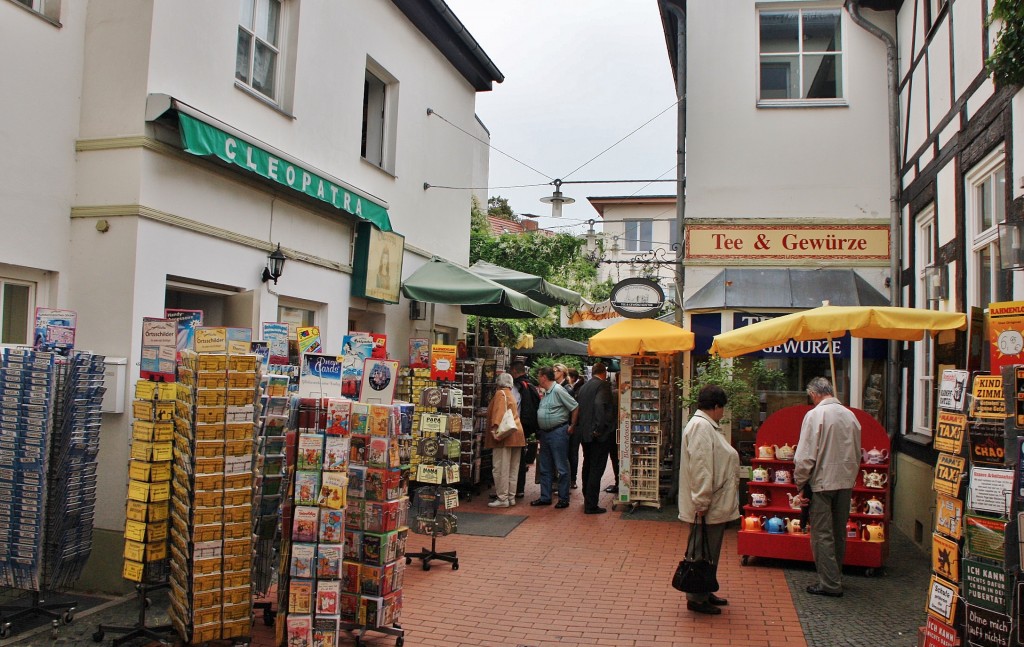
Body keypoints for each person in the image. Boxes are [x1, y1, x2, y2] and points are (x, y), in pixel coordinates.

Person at [794, 377, 862, 598]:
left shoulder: (815, 415)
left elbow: (805, 456)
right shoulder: (851, 416)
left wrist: (801, 483)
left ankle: (830, 583)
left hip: (822, 482)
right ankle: (835, 574)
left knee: (822, 534)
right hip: (845, 481)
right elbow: (857, 451)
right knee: (838, 531)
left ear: (814, 394)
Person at [677, 385, 738, 615]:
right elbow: (701, 468)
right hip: (707, 504)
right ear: (716, 407)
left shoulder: (705, 425)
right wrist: (701, 501)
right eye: (723, 408)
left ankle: (704, 588)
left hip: (712, 502)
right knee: (701, 549)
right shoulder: (701, 427)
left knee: (708, 549)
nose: (724, 413)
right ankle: (696, 596)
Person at [531, 366, 578, 509]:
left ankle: (563, 498)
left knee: (561, 466)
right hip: (546, 433)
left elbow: (575, 406)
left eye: (539, 376)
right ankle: (545, 497)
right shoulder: (546, 392)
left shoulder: (558, 390)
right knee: (545, 466)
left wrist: (572, 426)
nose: (538, 379)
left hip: (557, 432)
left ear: (544, 377)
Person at [574, 362, 614, 514]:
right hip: (597, 435)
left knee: (588, 465)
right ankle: (591, 503)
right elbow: (599, 405)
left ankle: (587, 497)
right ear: (604, 373)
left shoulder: (584, 387)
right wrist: (599, 428)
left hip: (585, 433)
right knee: (596, 468)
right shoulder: (603, 386)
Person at [485, 373, 527, 507]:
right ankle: (510, 496)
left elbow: (499, 412)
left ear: (499, 383)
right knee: (513, 468)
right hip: (517, 434)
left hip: (505, 436)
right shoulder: (511, 394)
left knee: (501, 467)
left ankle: (502, 498)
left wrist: (494, 430)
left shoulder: (500, 394)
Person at [511, 362, 540, 498]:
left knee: (514, 458)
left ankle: (514, 488)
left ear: (514, 371)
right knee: (520, 457)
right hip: (526, 426)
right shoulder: (530, 385)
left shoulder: (516, 386)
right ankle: (519, 488)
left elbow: (514, 406)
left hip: (515, 426)